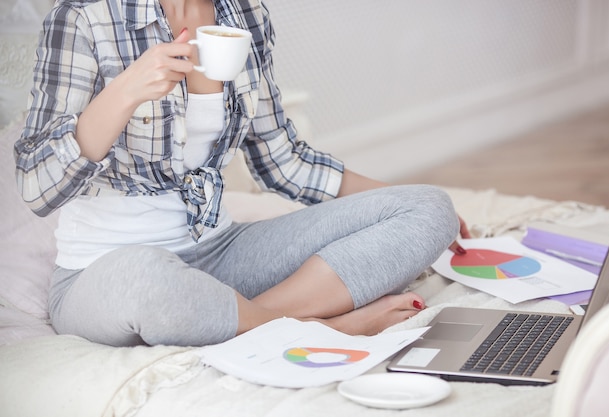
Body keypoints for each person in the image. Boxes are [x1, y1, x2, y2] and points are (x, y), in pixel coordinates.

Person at [14, 0, 469, 347]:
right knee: (149, 277)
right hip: (106, 273)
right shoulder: (83, 16)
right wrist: (125, 92)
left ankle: (244, 319)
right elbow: (38, 187)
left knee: (429, 206)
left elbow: (285, 162)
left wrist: (399, 209)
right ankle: (319, 330)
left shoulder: (243, 13)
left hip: (223, 253)